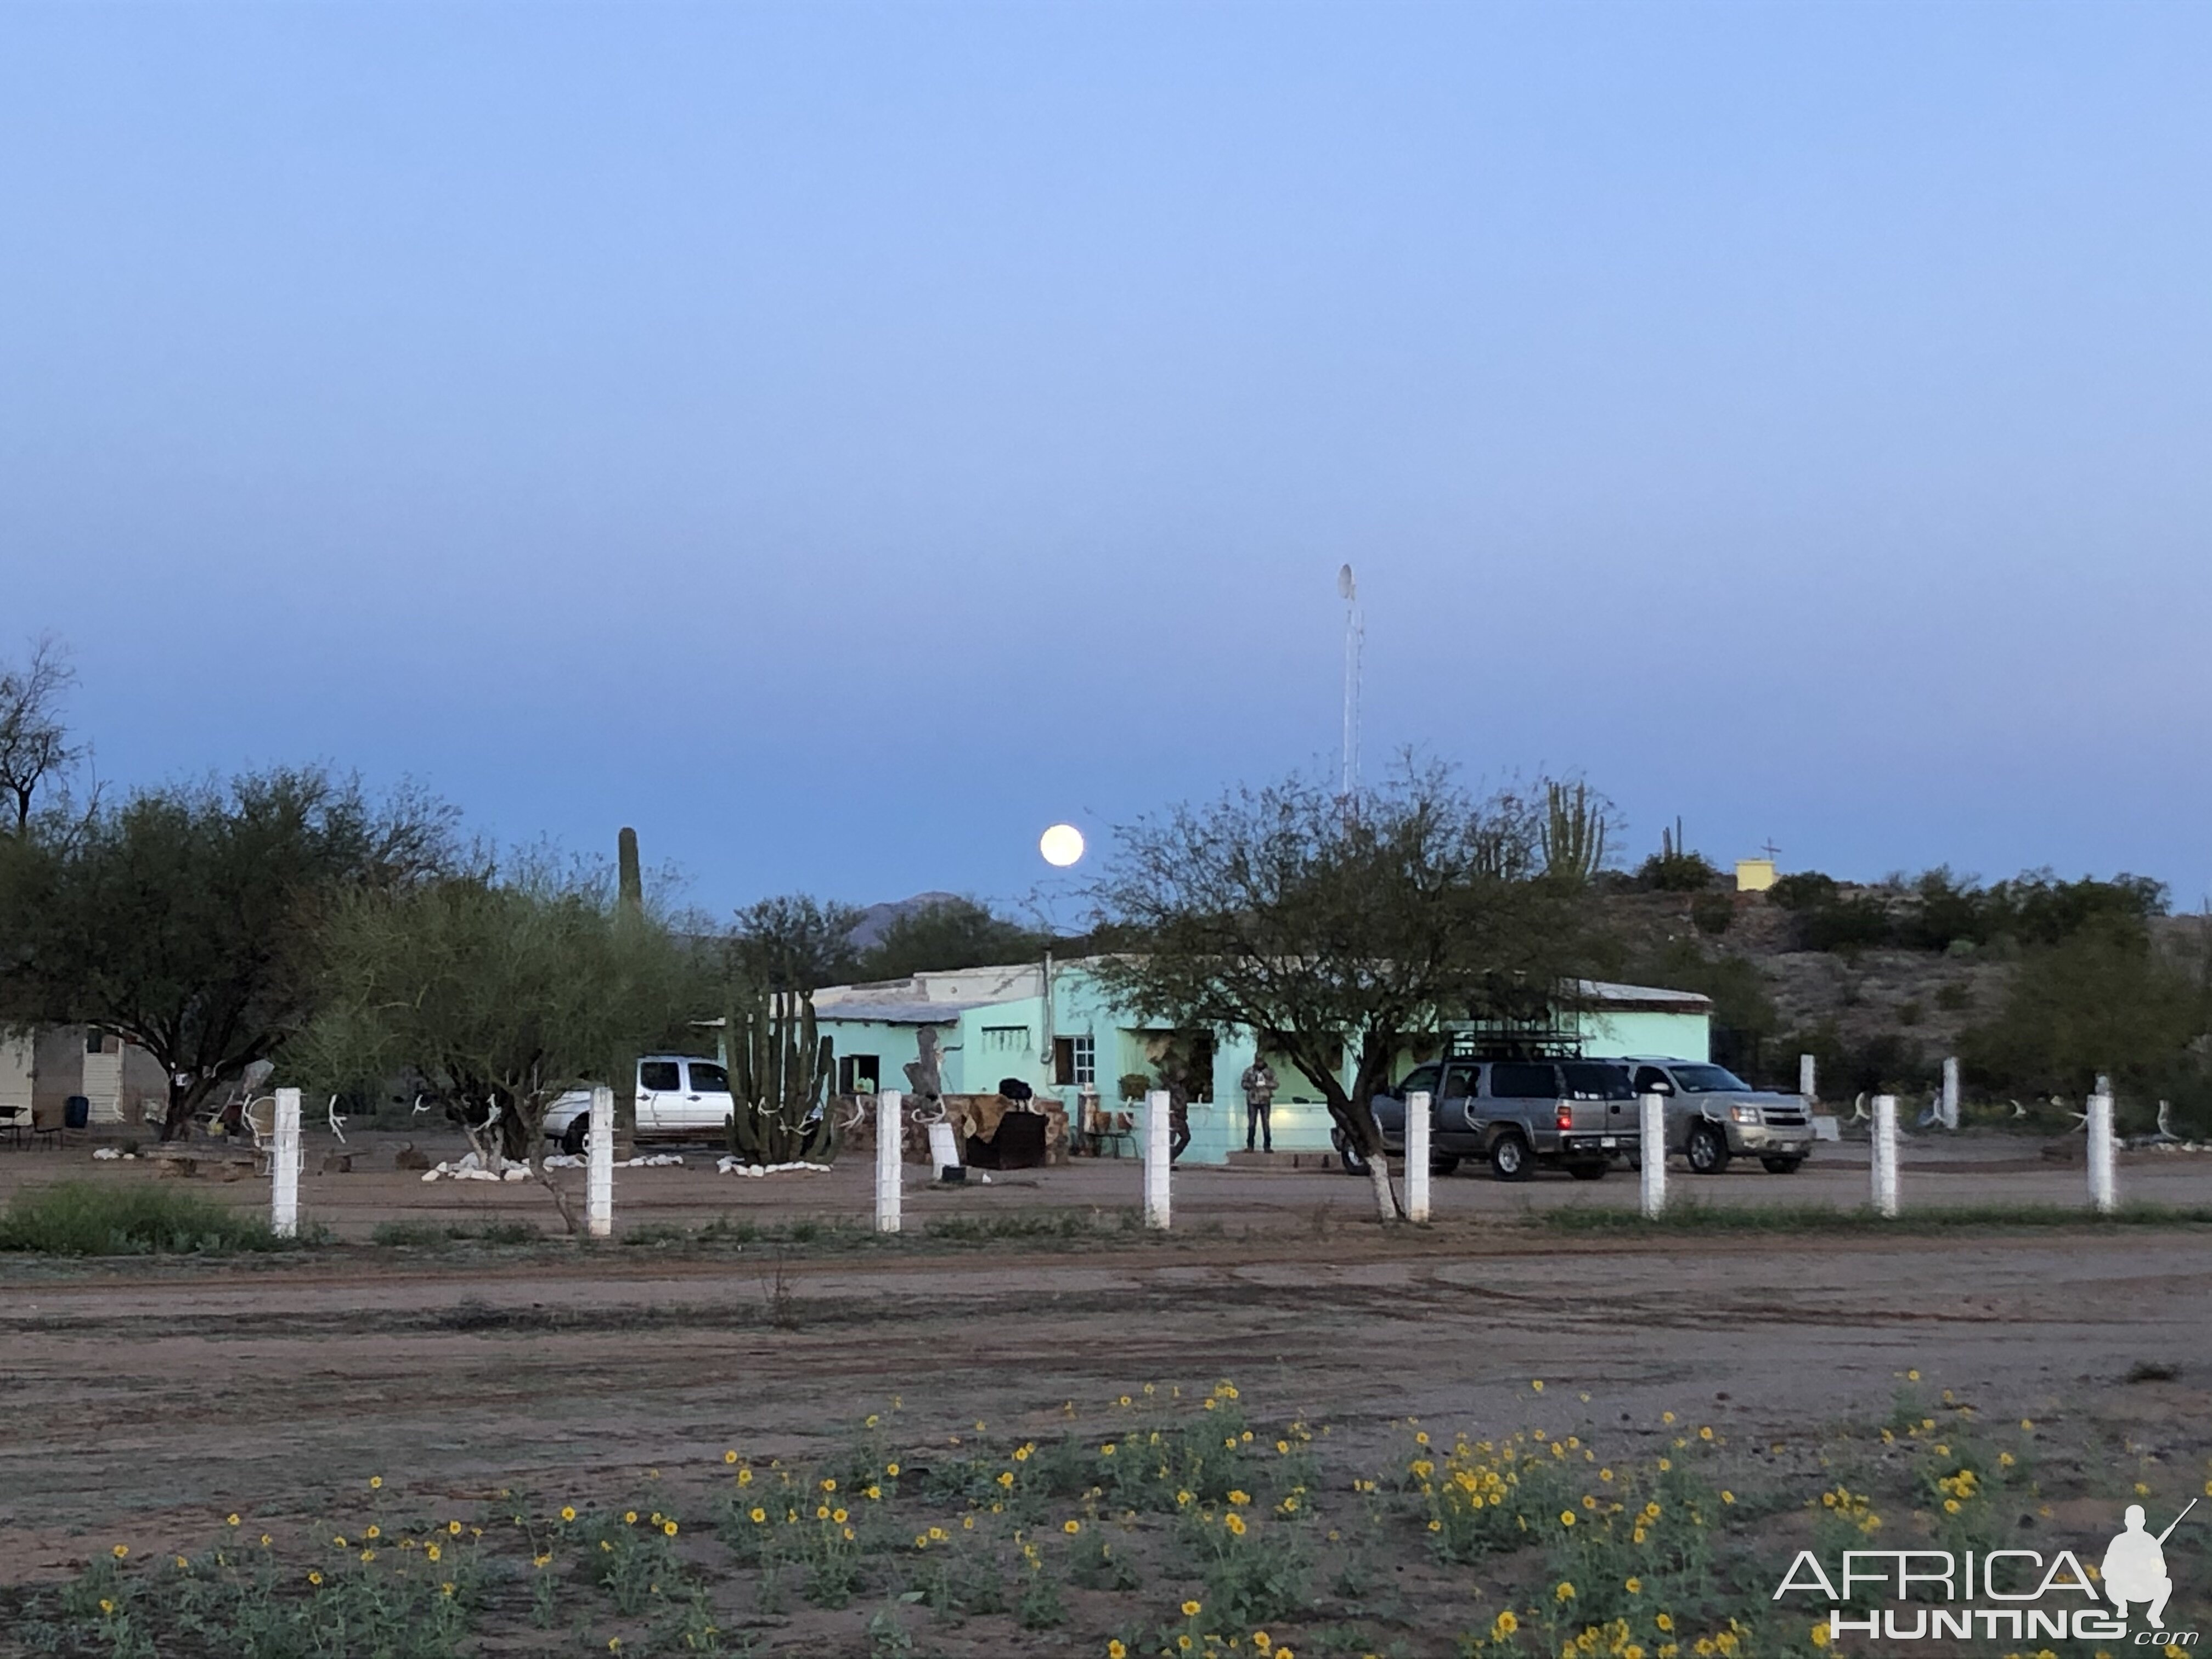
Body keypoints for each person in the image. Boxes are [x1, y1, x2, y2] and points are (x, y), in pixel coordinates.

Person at [2102, 1502, 2184, 1626]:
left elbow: (2162, 1569)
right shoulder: (2119, 1541)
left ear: (2144, 1522)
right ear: (2126, 1522)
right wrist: (2124, 1569)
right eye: (2132, 1520)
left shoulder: (2150, 1541)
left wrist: (2148, 1568)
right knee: (2110, 1582)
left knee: (2166, 1584)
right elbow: (2107, 1569)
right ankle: (2122, 1605)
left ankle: (2154, 1615)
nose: (2135, 1523)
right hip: (2124, 1587)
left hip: (2146, 1587)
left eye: (2138, 1520)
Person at [1240, 1058, 1278, 1153]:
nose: (1259, 1063)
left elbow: (1276, 1084)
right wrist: (1253, 1085)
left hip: (1265, 1100)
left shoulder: (1270, 1071)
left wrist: (1266, 1083)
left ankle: (1267, 1146)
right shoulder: (1249, 1071)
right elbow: (1244, 1084)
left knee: (1266, 1124)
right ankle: (1250, 1146)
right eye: (1258, 1061)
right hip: (1253, 1100)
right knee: (1252, 1123)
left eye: (1261, 1061)